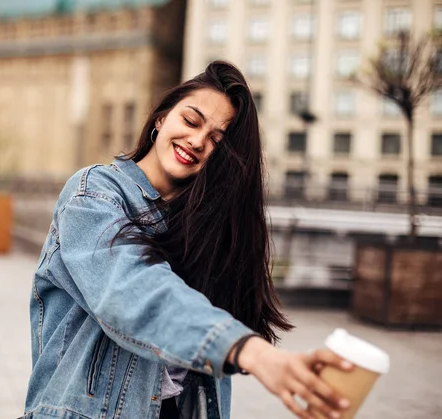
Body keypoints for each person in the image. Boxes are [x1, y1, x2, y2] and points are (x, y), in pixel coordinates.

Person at [22, 61, 353, 419]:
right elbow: (130, 290)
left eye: (216, 141)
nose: (197, 141)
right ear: (162, 118)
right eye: (191, 121)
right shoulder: (95, 193)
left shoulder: (207, 227)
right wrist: (251, 352)